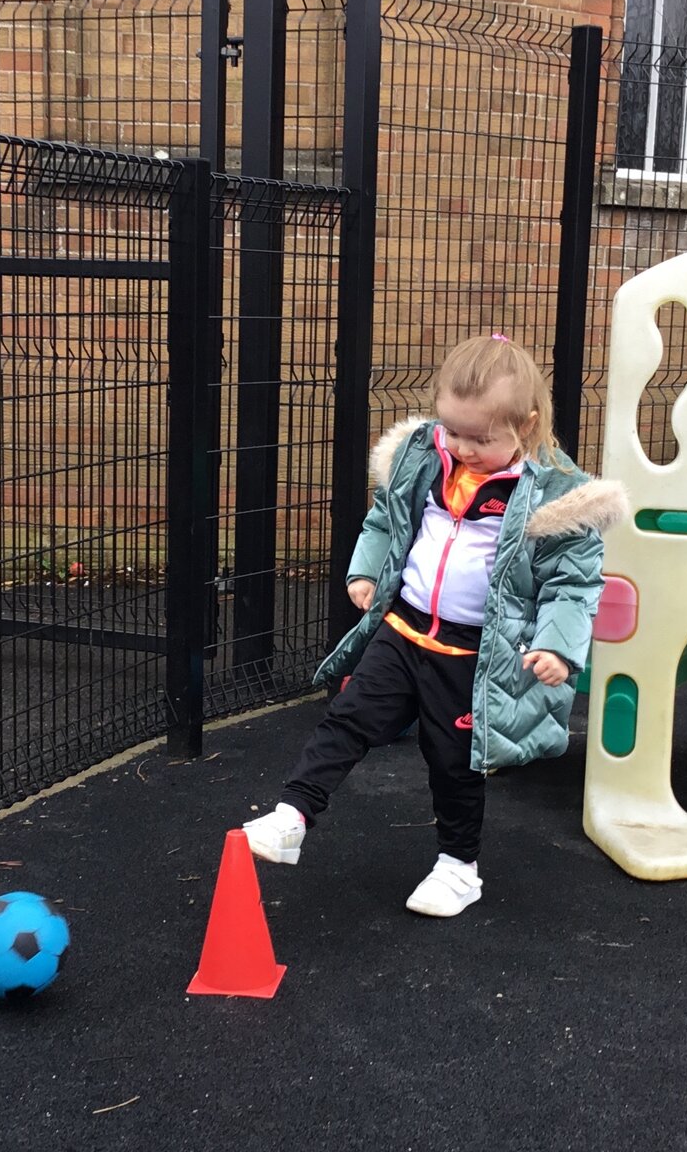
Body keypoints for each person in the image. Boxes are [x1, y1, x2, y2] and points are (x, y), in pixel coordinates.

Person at [241, 334, 628, 916]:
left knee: (453, 761)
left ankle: (457, 867)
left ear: (523, 426)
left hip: (470, 651)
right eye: (453, 430)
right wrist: (367, 571)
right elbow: (384, 520)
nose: (464, 446)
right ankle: (294, 814)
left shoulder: (553, 501)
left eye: (481, 437)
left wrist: (556, 646)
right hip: (404, 628)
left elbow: (572, 585)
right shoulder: (424, 459)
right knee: (348, 719)